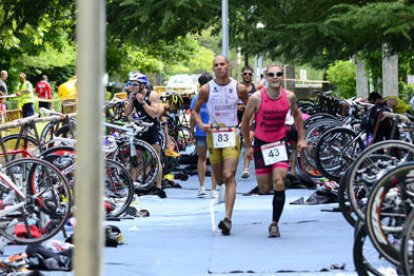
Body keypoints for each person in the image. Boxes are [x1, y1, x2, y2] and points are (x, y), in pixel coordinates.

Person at [241, 64, 307, 238]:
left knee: (279, 181)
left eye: (278, 74)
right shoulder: (256, 98)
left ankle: (274, 223)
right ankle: (269, 188)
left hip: (280, 143)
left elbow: (298, 116)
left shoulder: (289, 97)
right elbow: (245, 122)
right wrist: (248, 146)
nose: (275, 77)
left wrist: (301, 138)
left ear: (282, 76)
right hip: (261, 144)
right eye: (271, 74)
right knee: (264, 188)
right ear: (266, 77)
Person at [192, 55, 248, 235]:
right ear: (213, 68)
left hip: (232, 133)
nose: (219, 68)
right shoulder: (206, 89)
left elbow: (251, 107)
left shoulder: (238, 88)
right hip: (213, 135)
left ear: (228, 66)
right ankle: (224, 193)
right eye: (216, 65)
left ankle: (228, 219)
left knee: (228, 174)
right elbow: (194, 110)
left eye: (222, 64)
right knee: (219, 177)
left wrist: (244, 125)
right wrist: (201, 125)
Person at [124, 72, 165, 198]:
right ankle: (133, 185)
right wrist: (131, 100)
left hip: (152, 128)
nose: (132, 86)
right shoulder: (133, 95)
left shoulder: (152, 95)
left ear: (142, 85)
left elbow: (154, 114)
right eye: (131, 84)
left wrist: (143, 103)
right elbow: (126, 113)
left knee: (156, 157)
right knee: (136, 157)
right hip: (140, 128)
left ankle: (158, 186)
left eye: (135, 84)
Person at [189, 72, 217, 198]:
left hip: (201, 132)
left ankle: (201, 187)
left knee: (202, 159)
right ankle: (214, 190)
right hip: (212, 132)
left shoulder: (196, 98)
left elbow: (192, 118)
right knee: (215, 160)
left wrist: (191, 131)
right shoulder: (215, 97)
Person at [238, 66, 257, 179]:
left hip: (251, 119)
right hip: (238, 118)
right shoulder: (237, 88)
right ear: (242, 75)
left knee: (247, 142)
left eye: (249, 74)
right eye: (245, 74)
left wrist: (250, 121)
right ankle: (233, 167)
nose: (247, 76)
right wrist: (238, 107)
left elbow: (256, 106)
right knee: (237, 145)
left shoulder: (256, 88)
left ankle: (246, 168)